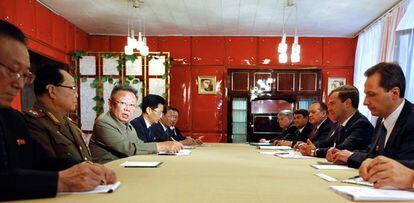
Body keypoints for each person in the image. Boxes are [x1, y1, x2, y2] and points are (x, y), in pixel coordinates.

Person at [0, 20, 115, 201]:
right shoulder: (32, 120)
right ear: (52, 90)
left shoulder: (12, 118)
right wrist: (59, 180)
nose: (19, 84)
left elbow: (39, 162)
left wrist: (85, 169)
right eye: (13, 70)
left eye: (24, 75)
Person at [343, 62, 414, 169]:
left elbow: (400, 165)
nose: (365, 102)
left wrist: (351, 156)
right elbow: (374, 154)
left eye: (371, 94)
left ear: (394, 93)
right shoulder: (381, 118)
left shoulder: (411, 119)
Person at [90, 86, 183, 163]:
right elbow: (129, 149)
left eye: (132, 105)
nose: (127, 109)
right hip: (107, 172)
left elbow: (139, 144)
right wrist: (163, 146)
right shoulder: (104, 122)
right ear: (110, 103)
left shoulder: (127, 124)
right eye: (123, 103)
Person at [23, 66, 91, 170]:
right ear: (52, 91)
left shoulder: (66, 122)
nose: (76, 95)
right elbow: (49, 167)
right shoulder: (33, 122)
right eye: (72, 88)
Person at [299, 85, 374, 159]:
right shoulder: (339, 123)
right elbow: (327, 142)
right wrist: (312, 146)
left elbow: (341, 149)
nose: (329, 109)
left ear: (347, 103)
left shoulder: (362, 124)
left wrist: (314, 151)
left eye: (332, 103)